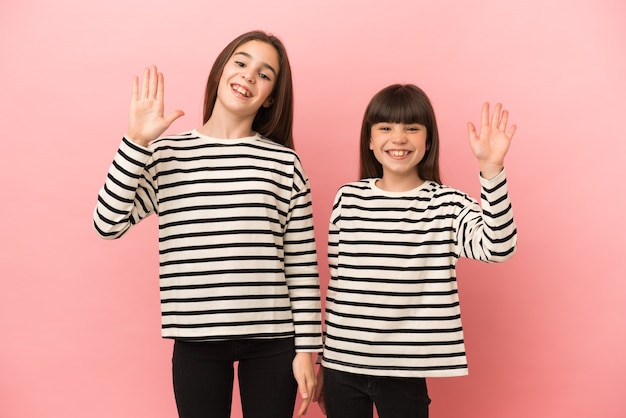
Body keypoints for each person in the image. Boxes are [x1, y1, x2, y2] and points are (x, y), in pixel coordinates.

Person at [93, 30, 322, 418]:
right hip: (196, 339)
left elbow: (301, 266)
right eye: (241, 62)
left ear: (271, 98)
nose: (250, 76)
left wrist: (306, 350)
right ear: (220, 71)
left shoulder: (284, 163)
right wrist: (135, 142)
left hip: (273, 340)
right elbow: (107, 223)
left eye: (265, 75)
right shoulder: (168, 154)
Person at [312, 84, 518, 418]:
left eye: (411, 128)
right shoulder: (348, 199)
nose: (399, 138)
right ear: (369, 139)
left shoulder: (446, 204)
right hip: (342, 365)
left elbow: (500, 247)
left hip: (405, 370)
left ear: (428, 139)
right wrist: (324, 362)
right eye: (385, 128)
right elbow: (339, 288)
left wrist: (491, 170)